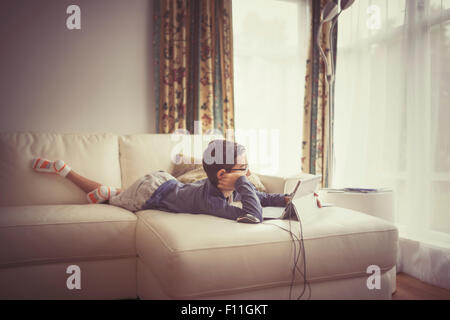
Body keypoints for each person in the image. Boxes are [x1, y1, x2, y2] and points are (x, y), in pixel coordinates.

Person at [31, 139, 289, 223]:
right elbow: (253, 215)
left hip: (164, 184)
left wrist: (286, 200)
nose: (248, 173)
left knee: (114, 194)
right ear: (222, 175)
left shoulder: (223, 186)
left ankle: (112, 192)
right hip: (150, 193)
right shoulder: (212, 202)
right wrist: (244, 182)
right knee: (111, 198)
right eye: (243, 169)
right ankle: (65, 171)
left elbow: (261, 198)